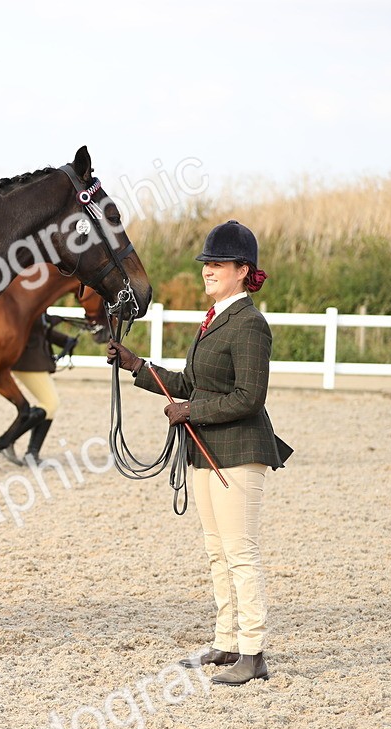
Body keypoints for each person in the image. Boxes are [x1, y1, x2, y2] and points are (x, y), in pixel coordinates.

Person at [106, 220, 292, 686]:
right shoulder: (213, 319)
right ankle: (226, 641)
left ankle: (253, 652)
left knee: (240, 553)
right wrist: (137, 365)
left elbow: (249, 397)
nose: (207, 270)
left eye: (217, 264)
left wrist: (191, 410)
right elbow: (191, 383)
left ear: (242, 270)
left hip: (239, 452)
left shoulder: (250, 324)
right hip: (205, 450)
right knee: (217, 551)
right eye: (206, 264)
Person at [0, 312, 78, 465]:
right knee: (51, 403)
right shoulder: (27, 302)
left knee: (50, 405)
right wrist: (50, 323)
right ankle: (5, 441)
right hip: (28, 361)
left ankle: (31, 453)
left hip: (35, 360)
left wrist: (64, 340)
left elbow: (40, 330)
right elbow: (31, 328)